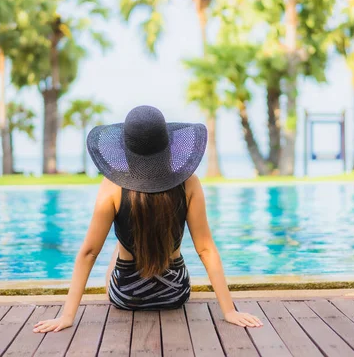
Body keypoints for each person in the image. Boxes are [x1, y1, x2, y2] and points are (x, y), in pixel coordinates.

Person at [33, 105, 263, 333]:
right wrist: (230, 311)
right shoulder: (189, 183)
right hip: (175, 294)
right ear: (168, 145)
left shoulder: (112, 187)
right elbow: (206, 250)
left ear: (126, 149)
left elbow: (89, 252)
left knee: (120, 244)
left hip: (126, 296)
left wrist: (67, 316)